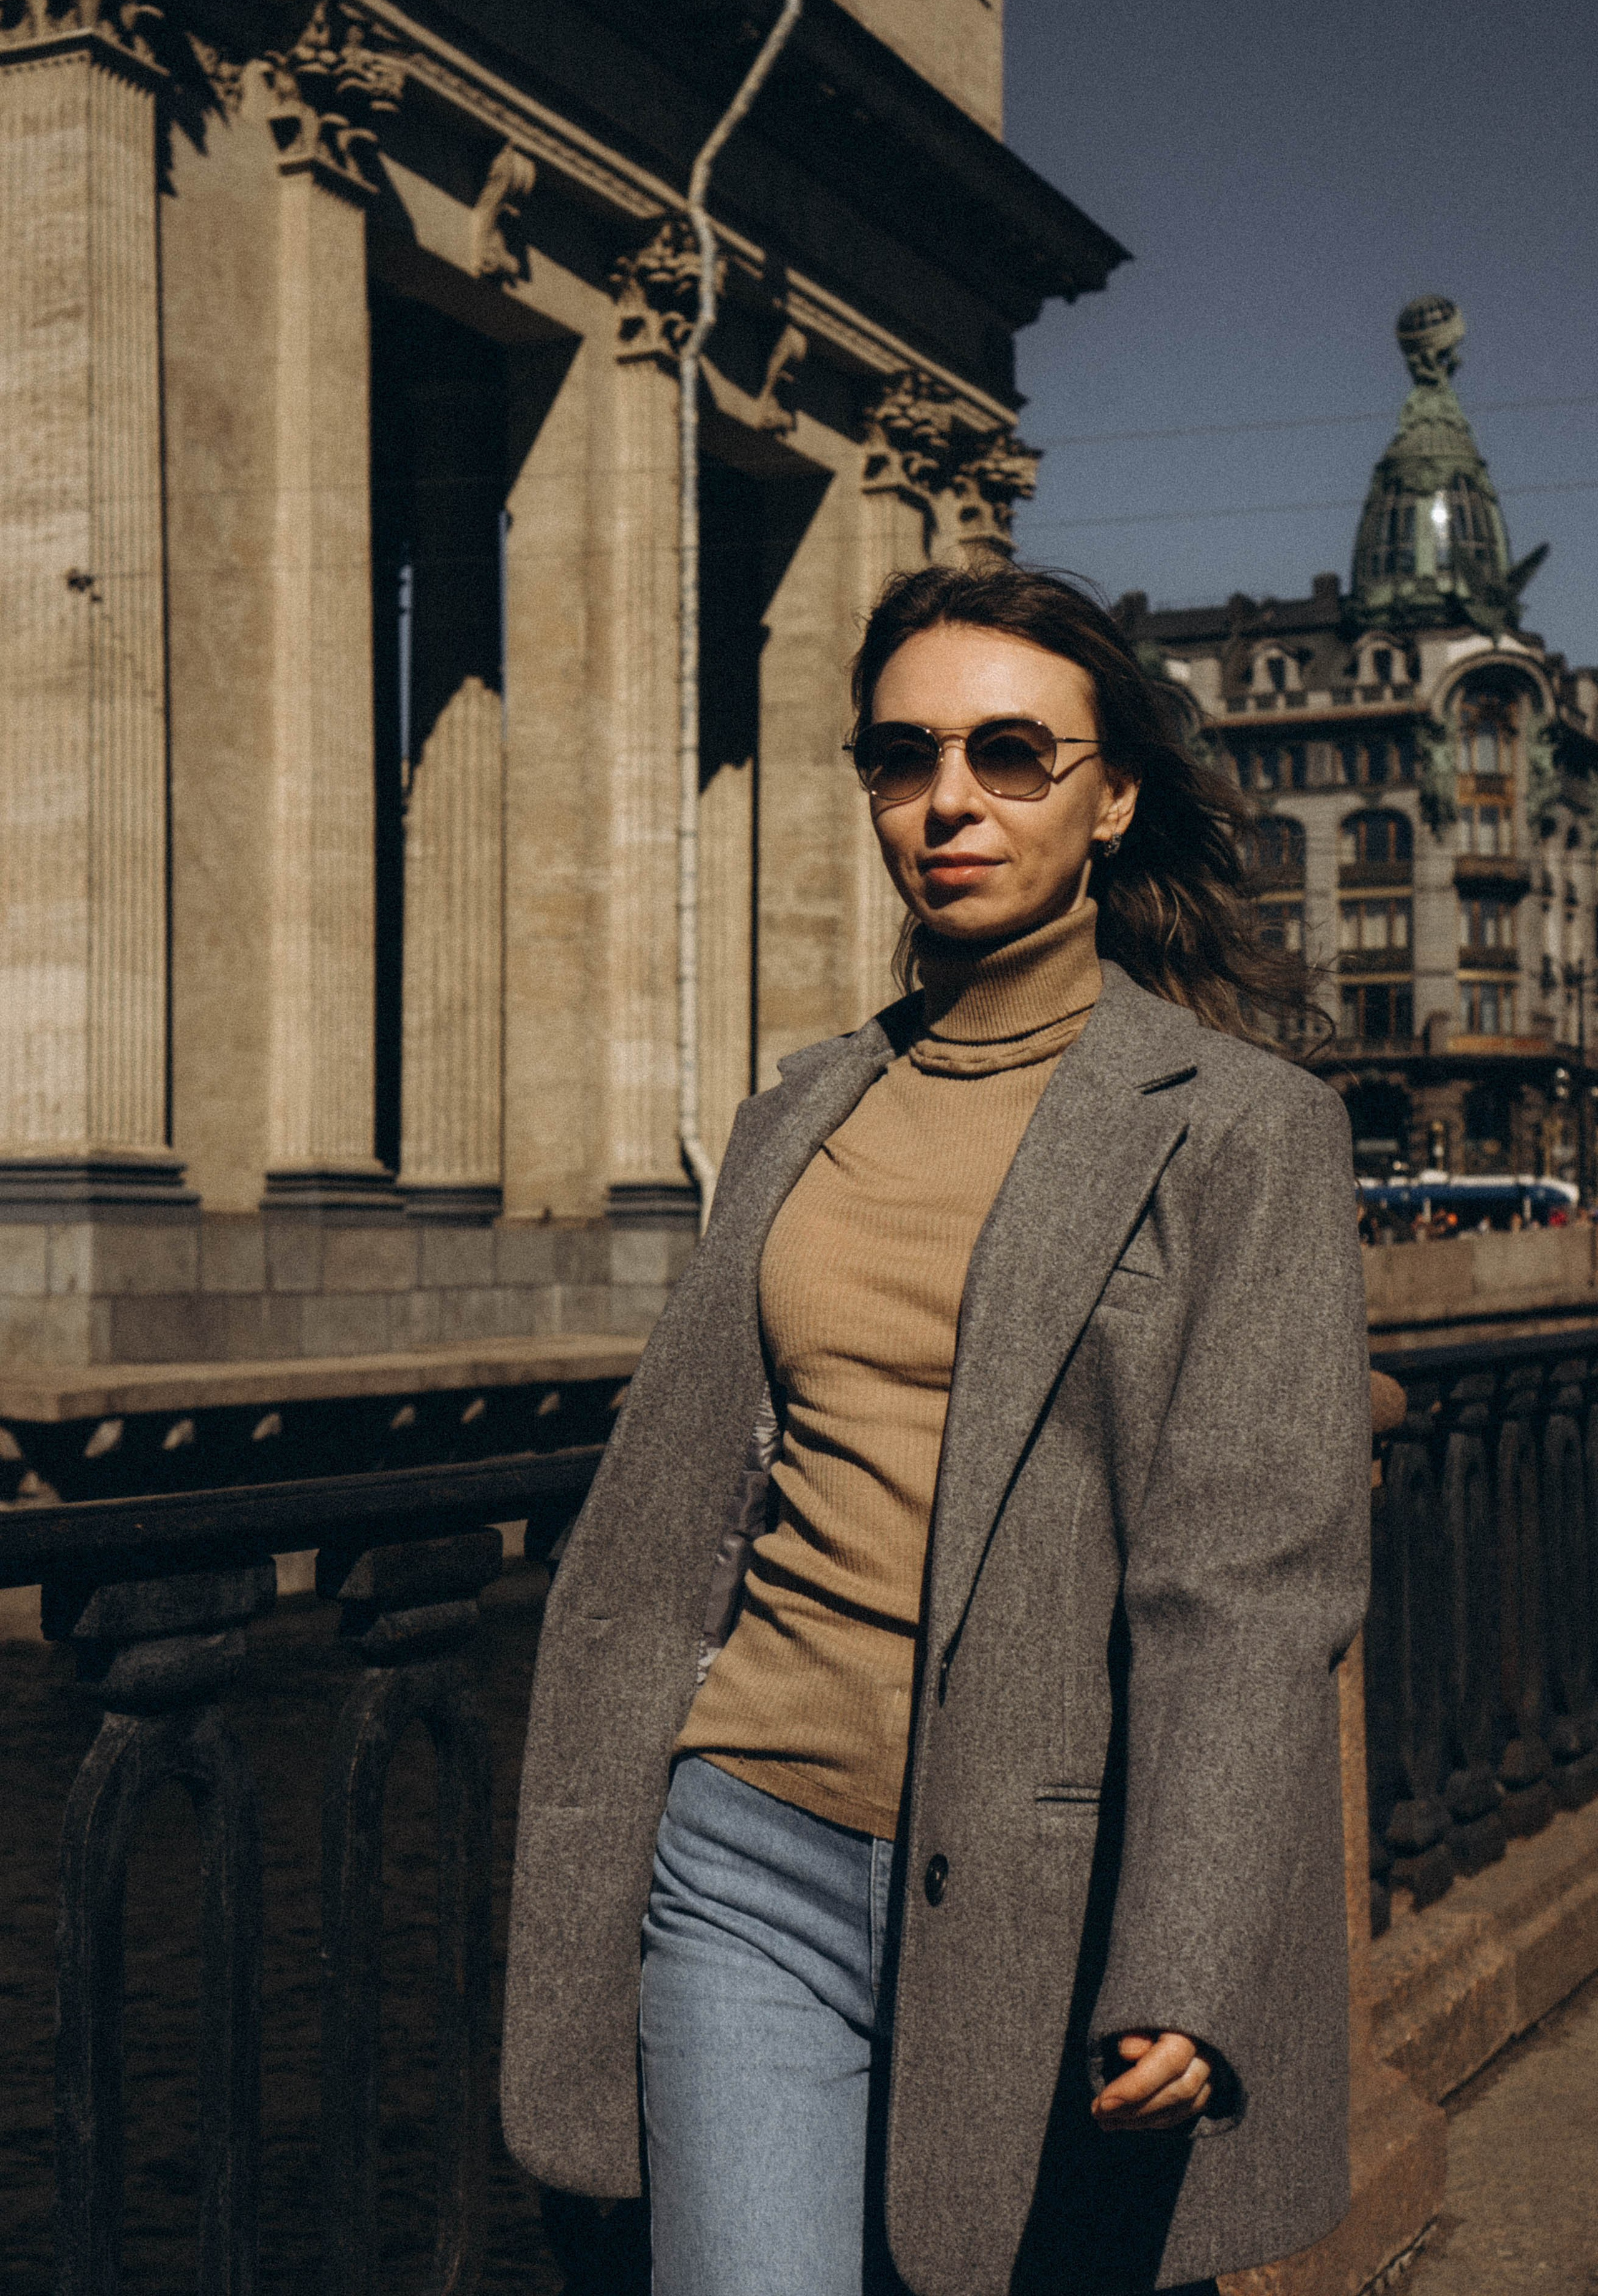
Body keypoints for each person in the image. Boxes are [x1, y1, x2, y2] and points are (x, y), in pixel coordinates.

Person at [501, 564, 1370, 2296]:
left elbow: (1248, 1587)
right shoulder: (802, 1107)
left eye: (1009, 754)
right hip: (745, 1852)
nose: (948, 801)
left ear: (1112, 794)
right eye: (905, 757)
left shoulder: (1239, 1131)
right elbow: (675, 1515)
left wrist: (1185, 1957)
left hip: (1054, 1889)